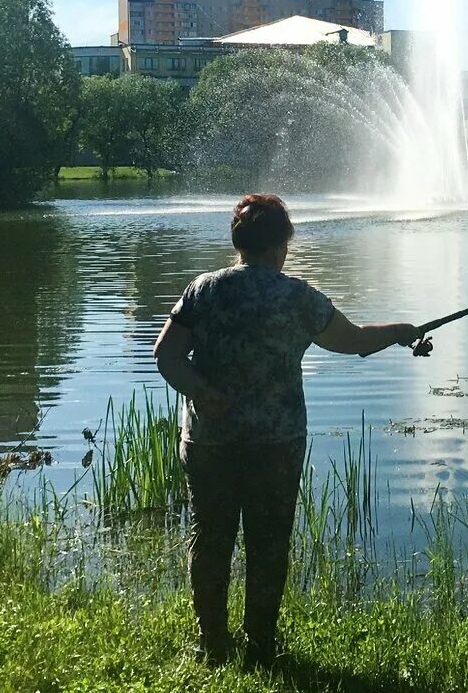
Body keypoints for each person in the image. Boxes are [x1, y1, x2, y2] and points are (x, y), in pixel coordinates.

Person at [153, 193, 418, 669]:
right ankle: (260, 645)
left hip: (209, 441)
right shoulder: (296, 296)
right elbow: (354, 342)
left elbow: (166, 356)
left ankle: (211, 643)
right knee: (269, 542)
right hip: (275, 444)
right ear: (282, 244)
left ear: (239, 242)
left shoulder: (202, 289)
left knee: (209, 538)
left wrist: (202, 393)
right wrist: (401, 330)